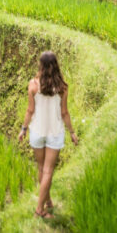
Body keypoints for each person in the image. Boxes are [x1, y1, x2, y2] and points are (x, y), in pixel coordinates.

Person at [18, 51, 78, 219]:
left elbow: (30, 110)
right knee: (48, 171)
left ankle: (48, 201)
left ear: (41, 66)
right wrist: (72, 133)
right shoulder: (62, 87)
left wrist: (23, 129)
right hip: (54, 132)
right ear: (56, 65)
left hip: (37, 132)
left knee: (42, 169)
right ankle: (39, 210)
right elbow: (64, 113)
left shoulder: (33, 85)